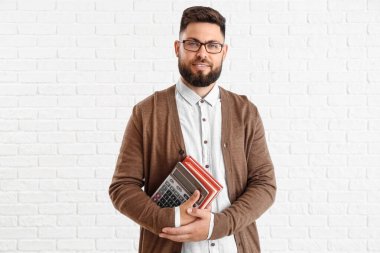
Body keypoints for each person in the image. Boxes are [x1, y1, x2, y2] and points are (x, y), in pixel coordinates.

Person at [109, 6, 276, 253]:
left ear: (223, 52)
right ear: (178, 48)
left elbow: (265, 184)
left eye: (212, 45)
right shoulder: (146, 112)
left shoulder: (245, 112)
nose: (202, 53)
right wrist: (171, 219)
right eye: (193, 44)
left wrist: (217, 225)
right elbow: (122, 187)